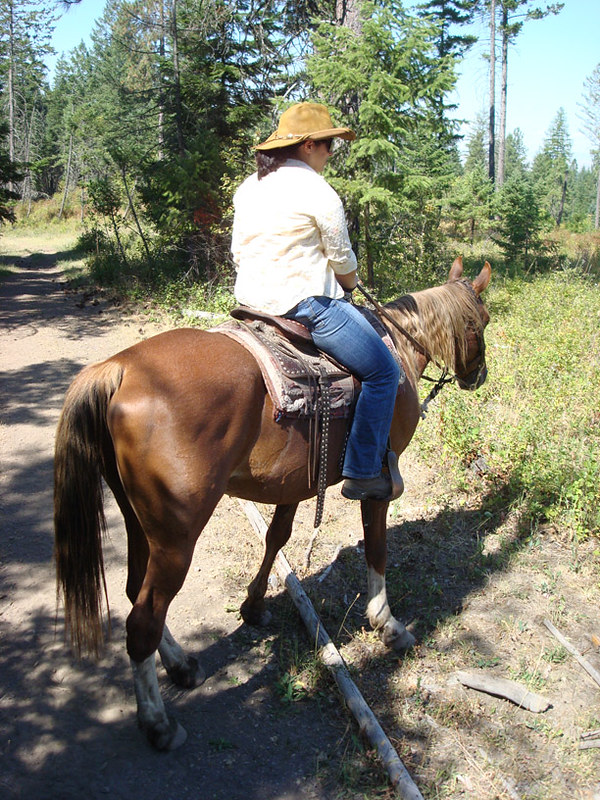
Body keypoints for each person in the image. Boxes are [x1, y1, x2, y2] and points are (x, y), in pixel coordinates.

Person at [231, 102, 402, 501]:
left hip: (252, 305)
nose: (330, 153)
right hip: (305, 305)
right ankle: (361, 471)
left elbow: (238, 252)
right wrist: (351, 281)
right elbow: (341, 258)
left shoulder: (249, 186)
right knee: (384, 373)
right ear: (308, 145)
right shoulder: (318, 191)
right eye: (328, 145)